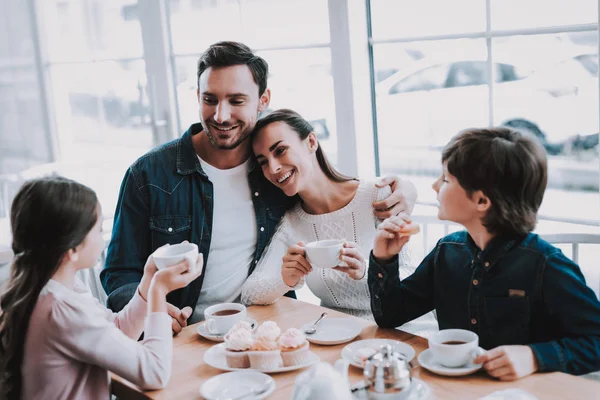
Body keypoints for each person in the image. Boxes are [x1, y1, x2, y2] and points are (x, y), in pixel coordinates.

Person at [100, 41, 418, 327]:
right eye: (210, 100)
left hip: (266, 327)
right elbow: (119, 272)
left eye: (236, 100)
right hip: (182, 332)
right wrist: (147, 311)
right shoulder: (149, 175)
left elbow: (327, 187)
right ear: (197, 97)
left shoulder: (271, 172)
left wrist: (402, 189)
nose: (221, 116)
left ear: (262, 100)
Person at [368, 127, 600, 380]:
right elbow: (390, 316)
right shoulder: (446, 252)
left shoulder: (547, 266)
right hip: (455, 388)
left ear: (481, 202)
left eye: (445, 179)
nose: (435, 186)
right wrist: (384, 259)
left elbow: (595, 342)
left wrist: (535, 356)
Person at [0, 177, 203, 400]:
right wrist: (158, 292)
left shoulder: (58, 289)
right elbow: (154, 373)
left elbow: (115, 331)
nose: (102, 238)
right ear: (72, 249)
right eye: (97, 231)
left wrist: (148, 280)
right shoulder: (62, 309)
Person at [240, 109, 436, 333]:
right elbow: (249, 293)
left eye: (281, 150)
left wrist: (368, 271)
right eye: (263, 162)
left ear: (311, 142)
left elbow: (411, 281)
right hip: (341, 338)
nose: (273, 168)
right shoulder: (292, 222)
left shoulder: (378, 196)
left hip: (407, 330)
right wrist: (285, 279)